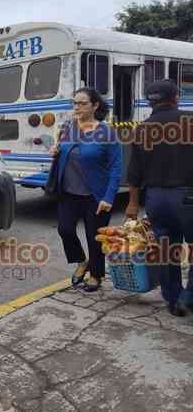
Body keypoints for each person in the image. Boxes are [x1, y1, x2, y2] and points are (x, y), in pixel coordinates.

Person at [125, 79, 193, 317]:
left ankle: (173, 300)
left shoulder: (141, 129)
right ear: (175, 97)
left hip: (155, 199)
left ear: (149, 102)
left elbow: (134, 173)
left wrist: (133, 204)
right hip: (187, 196)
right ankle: (188, 297)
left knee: (166, 251)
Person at [50, 87, 122, 292]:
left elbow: (116, 168)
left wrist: (109, 197)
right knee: (65, 230)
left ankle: (96, 275)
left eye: (82, 103)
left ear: (95, 105)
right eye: (75, 103)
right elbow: (62, 148)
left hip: (96, 196)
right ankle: (82, 261)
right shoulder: (68, 127)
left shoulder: (107, 132)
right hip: (68, 192)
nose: (77, 107)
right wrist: (56, 150)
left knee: (94, 237)